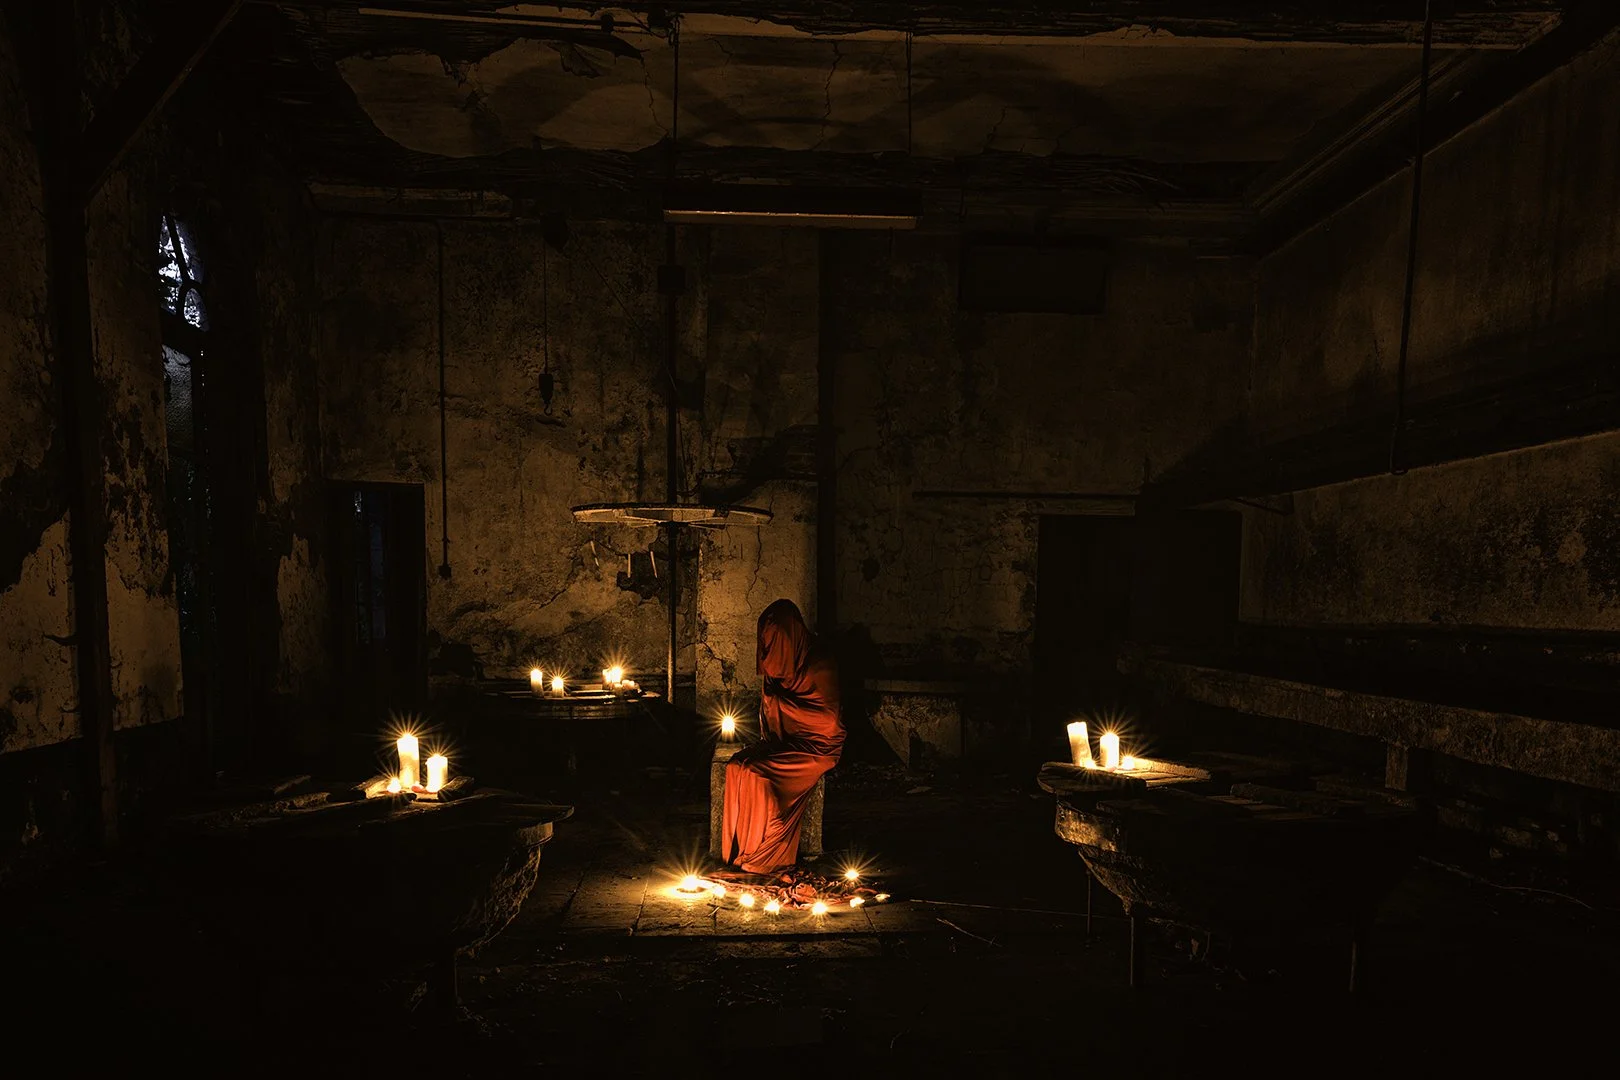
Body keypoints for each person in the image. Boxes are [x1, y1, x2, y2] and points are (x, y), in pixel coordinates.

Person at [719, 599, 843, 873]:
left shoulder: (819, 664)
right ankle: (738, 852)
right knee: (736, 767)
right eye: (765, 643)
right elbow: (771, 713)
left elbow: (829, 721)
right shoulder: (776, 673)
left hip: (816, 746)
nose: (769, 651)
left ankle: (765, 854)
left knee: (758, 773)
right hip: (783, 741)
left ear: (790, 638)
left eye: (776, 643)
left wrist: (781, 703)